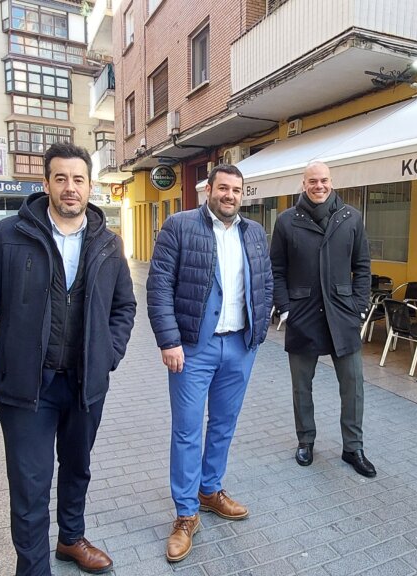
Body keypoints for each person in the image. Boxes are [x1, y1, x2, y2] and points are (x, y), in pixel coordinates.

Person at [0, 142, 135, 576]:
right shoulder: (10, 235)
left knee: (78, 468)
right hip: (25, 386)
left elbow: (124, 307)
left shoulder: (108, 243)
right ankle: (33, 570)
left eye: (78, 180)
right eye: (61, 179)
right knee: (31, 485)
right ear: (46, 184)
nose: (70, 188)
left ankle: (71, 539)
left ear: (91, 186)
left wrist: (108, 354)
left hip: (84, 383)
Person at [146, 164, 274, 563]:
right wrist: (169, 340)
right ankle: (186, 514)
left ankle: (210, 489)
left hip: (239, 346)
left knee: (223, 424)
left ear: (242, 194)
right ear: (209, 190)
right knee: (187, 431)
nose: (230, 195)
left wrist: (258, 334)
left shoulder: (253, 232)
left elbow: (265, 283)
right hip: (192, 349)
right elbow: (159, 284)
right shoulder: (179, 226)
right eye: (223, 188)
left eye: (236, 190)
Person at [270, 161, 376, 478]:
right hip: (303, 314)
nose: (319, 186)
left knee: (353, 385)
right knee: (302, 387)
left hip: (342, 315)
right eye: (313, 181)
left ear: (332, 182)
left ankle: (352, 448)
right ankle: (306, 441)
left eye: (324, 180)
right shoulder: (287, 221)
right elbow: (276, 270)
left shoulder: (351, 218)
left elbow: (363, 266)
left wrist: (359, 306)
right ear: (303, 184)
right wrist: (285, 308)